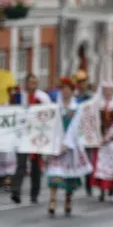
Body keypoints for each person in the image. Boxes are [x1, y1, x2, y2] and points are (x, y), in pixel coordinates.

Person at [45, 78, 93, 216]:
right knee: (54, 173)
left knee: (69, 176)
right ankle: (52, 200)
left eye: (68, 89)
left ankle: (68, 200)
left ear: (72, 91)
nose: (65, 92)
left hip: (70, 145)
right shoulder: (55, 107)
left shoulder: (76, 108)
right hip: (56, 143)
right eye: (63, 89)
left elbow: (75, 127)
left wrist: (67, 144)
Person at [11, 74, 52, 205]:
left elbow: (50, 113)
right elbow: (12, 112)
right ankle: (15, 191)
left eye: (35, 82)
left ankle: (34, 194)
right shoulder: (19, 96)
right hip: (22, 135)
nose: (33, 85)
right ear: (26, 83)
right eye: (30, 82)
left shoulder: (43, 97)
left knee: (36, 166)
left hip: (37, 135)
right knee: (21, 165)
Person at [89, 81, 113, 201]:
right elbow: (92, 119)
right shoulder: (98, 104)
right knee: (100, 163)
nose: (108, 92)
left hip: (112, 138)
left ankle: (111, 186)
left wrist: (109, 136)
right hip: (101, 138)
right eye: (106, 90)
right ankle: (101, 189)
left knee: (112, 163)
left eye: (110, 89)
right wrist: (98, 134)